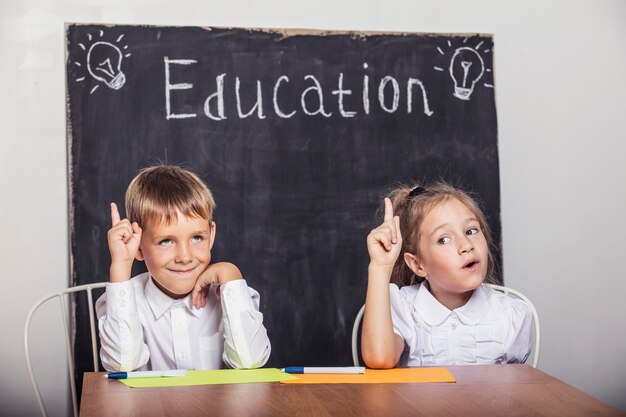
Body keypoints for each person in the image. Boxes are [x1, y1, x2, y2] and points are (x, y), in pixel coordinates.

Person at [96, 164, 271, 371]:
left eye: (197, 238)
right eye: (166, 241)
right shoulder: (122, 300)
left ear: (211, 234)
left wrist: (230, 273)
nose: (185, 257)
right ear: (139, 247)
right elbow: (122, 364)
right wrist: (121, 265)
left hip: (218, 405)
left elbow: (250, 362)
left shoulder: (232, 295)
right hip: (150, 405)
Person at [361, 182, 532, 368]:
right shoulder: (403, 308)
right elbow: (379, 358)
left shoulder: (511, 315)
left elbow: (517, 388)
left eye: (471, 231)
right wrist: (380, 266)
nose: (467, 245)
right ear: (418, 265)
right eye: (443, 239)